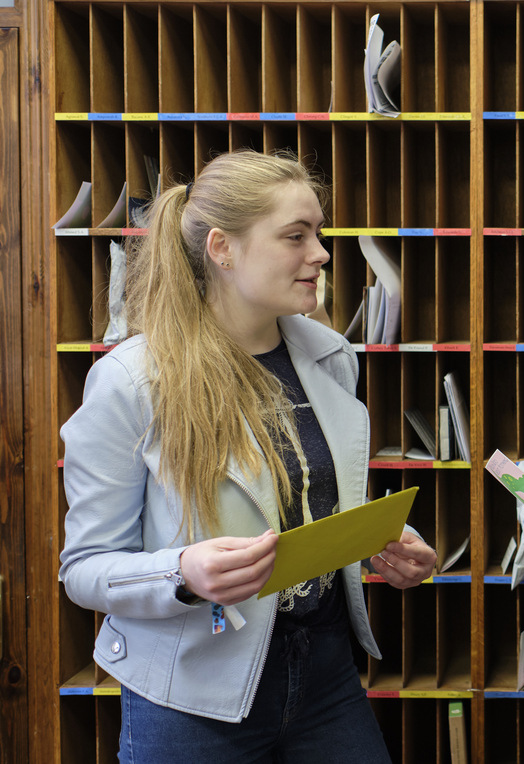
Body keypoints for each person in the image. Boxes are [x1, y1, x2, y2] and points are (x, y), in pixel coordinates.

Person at [58, 149, 437, 763]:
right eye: (296, 236)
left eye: (318, 233)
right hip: (191, 696)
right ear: (222, 249)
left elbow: (314, 498)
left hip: (325, 676)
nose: (321, 254)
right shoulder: (132, 382)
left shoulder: (331, 357)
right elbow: (84, 569)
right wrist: (183, 573)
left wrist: (388, 539)